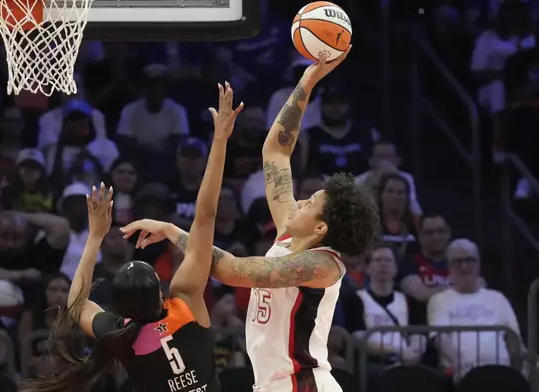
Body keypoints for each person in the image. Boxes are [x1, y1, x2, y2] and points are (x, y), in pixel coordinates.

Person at [122, 50, 381, 392]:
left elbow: (231, 269)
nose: (301, 200)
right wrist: (308, 81)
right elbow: (275, 151)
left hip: (303, 385)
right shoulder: (290, 234)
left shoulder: (322, 266)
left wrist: (179, 235)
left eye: (310, 202)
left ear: (321, 228)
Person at [20, 82, 243, 392]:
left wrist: (94, 235)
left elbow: (75, 302)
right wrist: (220, 140)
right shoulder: (187, 302)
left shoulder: (118, 332)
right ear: (160, 294)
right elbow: (205, 216)